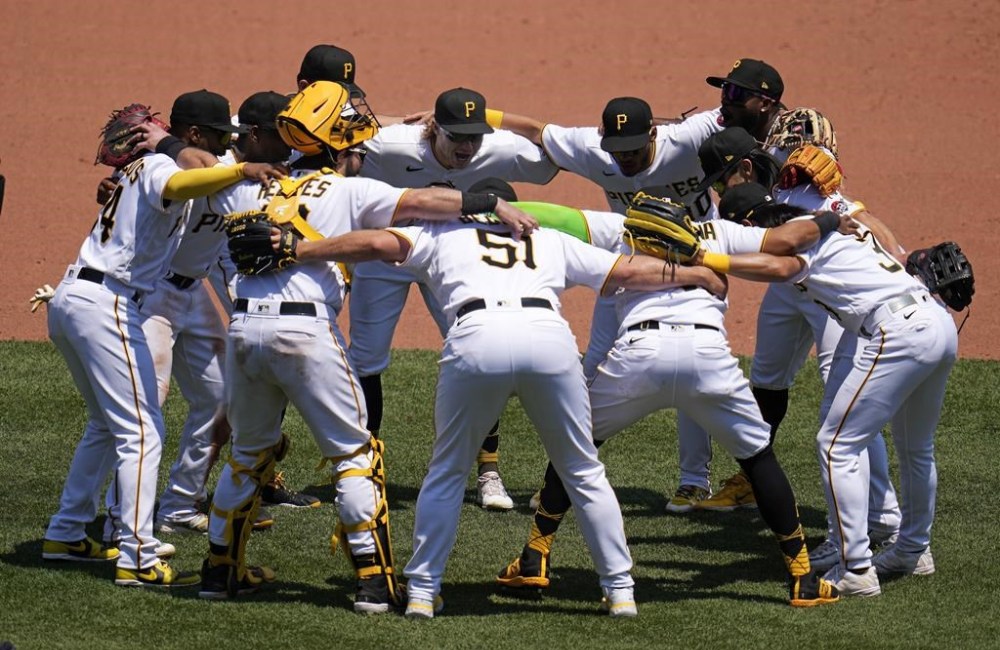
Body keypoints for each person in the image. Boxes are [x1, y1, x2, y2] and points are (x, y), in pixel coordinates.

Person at [269, 184, 731, 619]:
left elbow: (371, 245)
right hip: (548, 339)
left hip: (476, 339)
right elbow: (628, 272)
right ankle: (621, 592)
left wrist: (300, 249)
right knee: (583, 469)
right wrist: (695, 273)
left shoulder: (440, 234)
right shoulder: (547, 238)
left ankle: (424, 593)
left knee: (448, 470)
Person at [198, 81, 539, 610]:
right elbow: (427, 201)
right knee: (355, 456)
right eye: (355, 150)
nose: (361, 158)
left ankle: (218, 574)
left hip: (243, 330)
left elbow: (186, 172)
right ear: (340, 148)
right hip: (306, 332)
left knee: (246, 456)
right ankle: (374, 582)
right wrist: (489, 199)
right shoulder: (350, 191)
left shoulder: (252, 185)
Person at [497, 189, 845, 608]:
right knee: (758, 459)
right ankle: (802, 577)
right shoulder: (717, 232)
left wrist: (489, 204)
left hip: (638, 356)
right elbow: (788, 240)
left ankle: (535, 555)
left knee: (576, 447)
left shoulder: (623, 229)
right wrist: (830, 219)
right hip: (708, 359)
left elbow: (560, 215)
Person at [42, 93, 278, 587]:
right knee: (143, 431)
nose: (221, 150)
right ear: (193, 136)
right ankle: (138, 554)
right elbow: (180, 179)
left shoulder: (137, 169)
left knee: (109, 425)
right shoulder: (157, 167)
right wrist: (239, 173)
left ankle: (66, 531)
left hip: (79, 297)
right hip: (110, 302)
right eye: (216, 139)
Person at [689, 192, 958, 597]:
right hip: (935, 322)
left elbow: (778, 266)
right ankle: (913, 549)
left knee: (836, 445)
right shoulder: (830, 230)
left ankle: (857, 569)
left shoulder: (801, 238)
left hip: (899, 330)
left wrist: (710, 259)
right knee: (916, 448)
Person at [497, 94, 726, 511]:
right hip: (628, 261)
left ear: (653, 134)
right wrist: (469, 118)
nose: (626, 159)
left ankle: (694, 481)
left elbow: (737, 112)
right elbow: (536, 130)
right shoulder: (590, 148)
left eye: (634, 150)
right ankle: (564, 474)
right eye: (616, 151)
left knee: (698, 366)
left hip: (697, 261)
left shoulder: (686, 139)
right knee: (593, 363)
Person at [698, 115, 903, 576]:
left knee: (843, 401)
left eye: (723, 180)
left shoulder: (803, 177)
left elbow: (856, 212)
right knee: (767, 377)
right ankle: (754, 479)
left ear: (744, 171)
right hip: (791, 289)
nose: (719, 191)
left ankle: (879, 519)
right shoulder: (769, 178)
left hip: (827, 295)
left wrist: (899, 256)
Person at [350, 86, 560, 510]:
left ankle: (488, 472)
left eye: (474, 136)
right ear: (432, 129)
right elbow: (344, 142)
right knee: (365, 361)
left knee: (479, 352)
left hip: (451, 259)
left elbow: (552, 154)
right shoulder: (392, 145)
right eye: (456, 136)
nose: (467, 147)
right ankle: (363, 472)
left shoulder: (498, 149)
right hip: (385, 257)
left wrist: (500, 118)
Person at [706, 58, 785, 142]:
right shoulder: (727, 121)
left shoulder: (788, 149)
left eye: (736, 93)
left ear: (765, 104)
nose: (726, 101)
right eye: (726, 89)